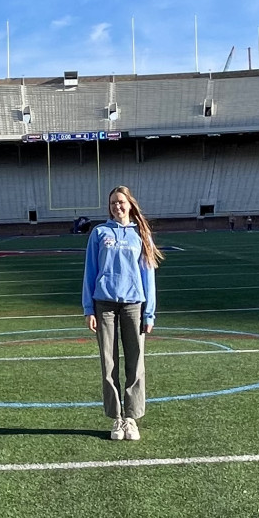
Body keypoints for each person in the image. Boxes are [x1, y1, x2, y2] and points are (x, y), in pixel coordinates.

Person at [82, 185, 161, 441]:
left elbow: (148, 275)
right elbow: (90, 271)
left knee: (135, 363)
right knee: (109, 363)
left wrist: (149, 313)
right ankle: (116, 417)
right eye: (113, 203)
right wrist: (88, 308)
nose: (117, 206)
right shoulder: (99, 233)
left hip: (133, 304)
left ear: (130, 204)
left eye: (121, 202)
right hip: (103, 304)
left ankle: (131, 417)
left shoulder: (141, 234)